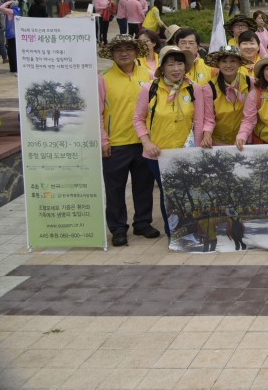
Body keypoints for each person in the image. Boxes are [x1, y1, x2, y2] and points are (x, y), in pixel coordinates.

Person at [132, 46, 207, 234]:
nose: (176, 69)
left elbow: (199, 120)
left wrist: (197, 149)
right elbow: (138, 119)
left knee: (187, 191)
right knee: (169, 193)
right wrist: (147, 142)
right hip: (158, 154)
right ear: (162, 67)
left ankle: (190, 228)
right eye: (171, 64)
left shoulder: (193, 88)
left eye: (180, 63)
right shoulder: (150, 88)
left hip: (186, 152)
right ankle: (173, 232)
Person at [98, 35, 156, 247]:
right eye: (119, 49)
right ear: (112, 54)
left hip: (144, 142)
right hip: (116, 143)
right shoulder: (103, 78)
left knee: (144, 186)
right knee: (115, 189)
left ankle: (142, 222)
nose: (124, 53)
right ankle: (118, 228)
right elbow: (98, 112)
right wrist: (103, 140)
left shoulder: (149, 75)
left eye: (129, 49)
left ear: (136, 51)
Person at [201, 46, 254, 147]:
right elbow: (209, 118)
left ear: (239, 63)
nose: (228, 65)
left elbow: (250, 116)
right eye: (224, 61)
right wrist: (207, 135)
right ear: (218, 64)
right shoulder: (209, 88)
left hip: (244, 140)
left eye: (233, 61)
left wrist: (242, 136)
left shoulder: (250, 83)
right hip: (218, 142)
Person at [0, 0, 20, 73]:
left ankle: (14, 69)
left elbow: (1, 8)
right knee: (12, 52)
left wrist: (9, 2)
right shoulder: (17, 9)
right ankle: (13, 69)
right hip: (14, 34)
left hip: (12, 35)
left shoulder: (11, 11)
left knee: (12, 53)